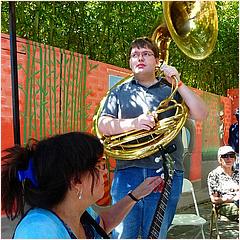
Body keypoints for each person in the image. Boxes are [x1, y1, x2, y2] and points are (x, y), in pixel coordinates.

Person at [98, 37, 208, 238]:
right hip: (128, 171)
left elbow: (201, 113)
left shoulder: (171, 90)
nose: (139, 58)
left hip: (165, 172)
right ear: (130, 62)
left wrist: (178, 81)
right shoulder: (119, 92)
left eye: (146, 54)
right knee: (122, 234)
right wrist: (134, 123)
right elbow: (103, 125)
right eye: (134, 55)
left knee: (156, 234)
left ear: (158, 61)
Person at [1, 132, 163, 239]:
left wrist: (136, 194)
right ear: (75, 180)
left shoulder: (80, 213)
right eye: (100, 165)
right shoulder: (38, 231)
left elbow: (103, 225)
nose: (105, 172)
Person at [207, 145, 239, 222]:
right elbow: (214, 199)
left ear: (235, 159)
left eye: (231, 156)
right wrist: (232, 199)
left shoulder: (238, 173)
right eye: (225, 156)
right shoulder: (214, 175)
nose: (228, 159)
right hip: (225, 206)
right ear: (219, 159)